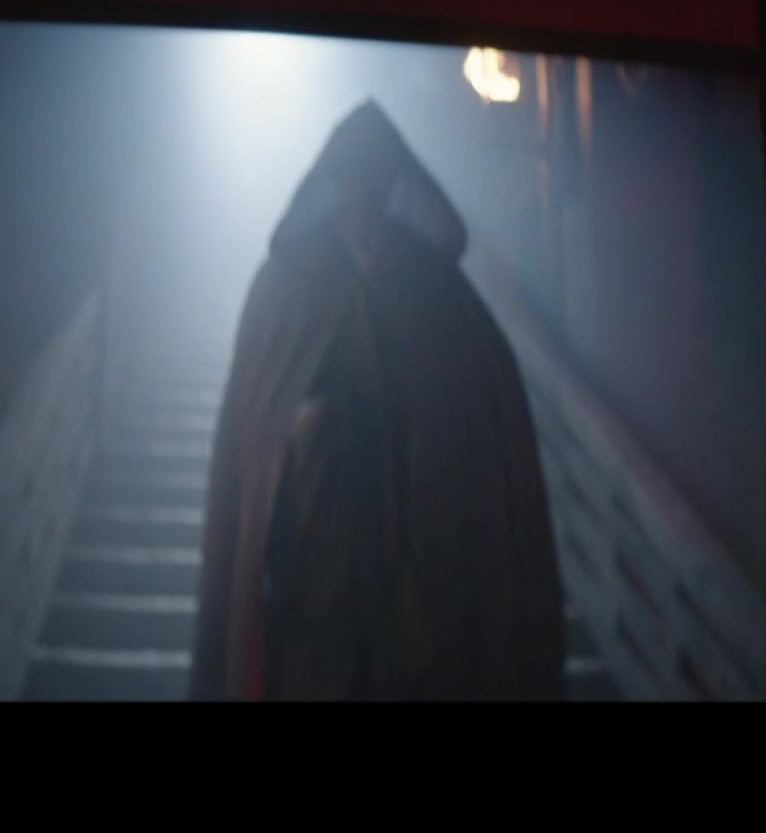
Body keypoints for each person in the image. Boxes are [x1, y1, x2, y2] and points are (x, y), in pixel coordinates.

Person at [189, 98, 567, 701]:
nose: (361, 199)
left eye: (374, 182)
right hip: (309, 591)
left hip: (423, 590)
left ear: (393, 187)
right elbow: (250, 451)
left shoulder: (438, 292)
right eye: (351, 182)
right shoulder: (286, 288)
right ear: (331, 188)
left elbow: (484, 433)